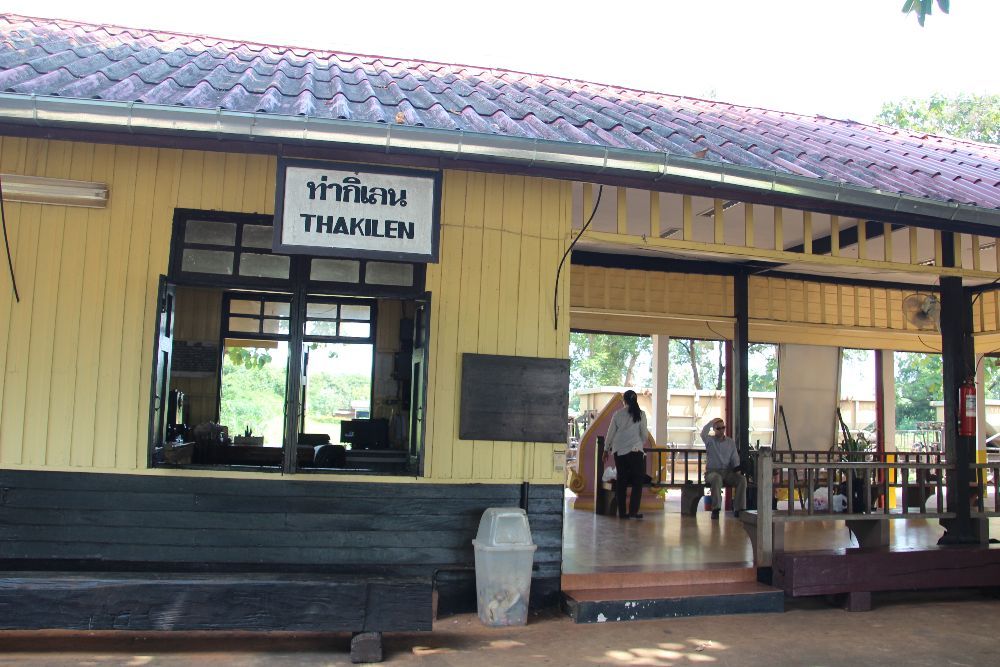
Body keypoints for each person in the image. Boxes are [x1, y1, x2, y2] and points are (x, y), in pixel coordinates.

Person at [603, 390, 648, 519]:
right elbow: (644, 434)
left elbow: (611, 433)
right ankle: (633, 511)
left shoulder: (618, 414)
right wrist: (638, 443)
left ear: (624, 401)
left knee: (621, 481)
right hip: (635, 451)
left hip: (619, 451)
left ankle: (622, 513)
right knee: (637, 482)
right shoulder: (641, 414)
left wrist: (606, 449)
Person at [700, 417, 747, 520]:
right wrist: (712, 421)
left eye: (723, 427)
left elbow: (734, 457)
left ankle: (739, 509)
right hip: (712, 472)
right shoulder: (709, 440)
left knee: (742, 480)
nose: (721, 430)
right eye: (718, 428)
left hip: (727, 472)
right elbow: (703, 433)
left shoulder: (730, 442)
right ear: (714, 429)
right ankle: (716, 509)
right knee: (716, 478)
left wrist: (737, 470)